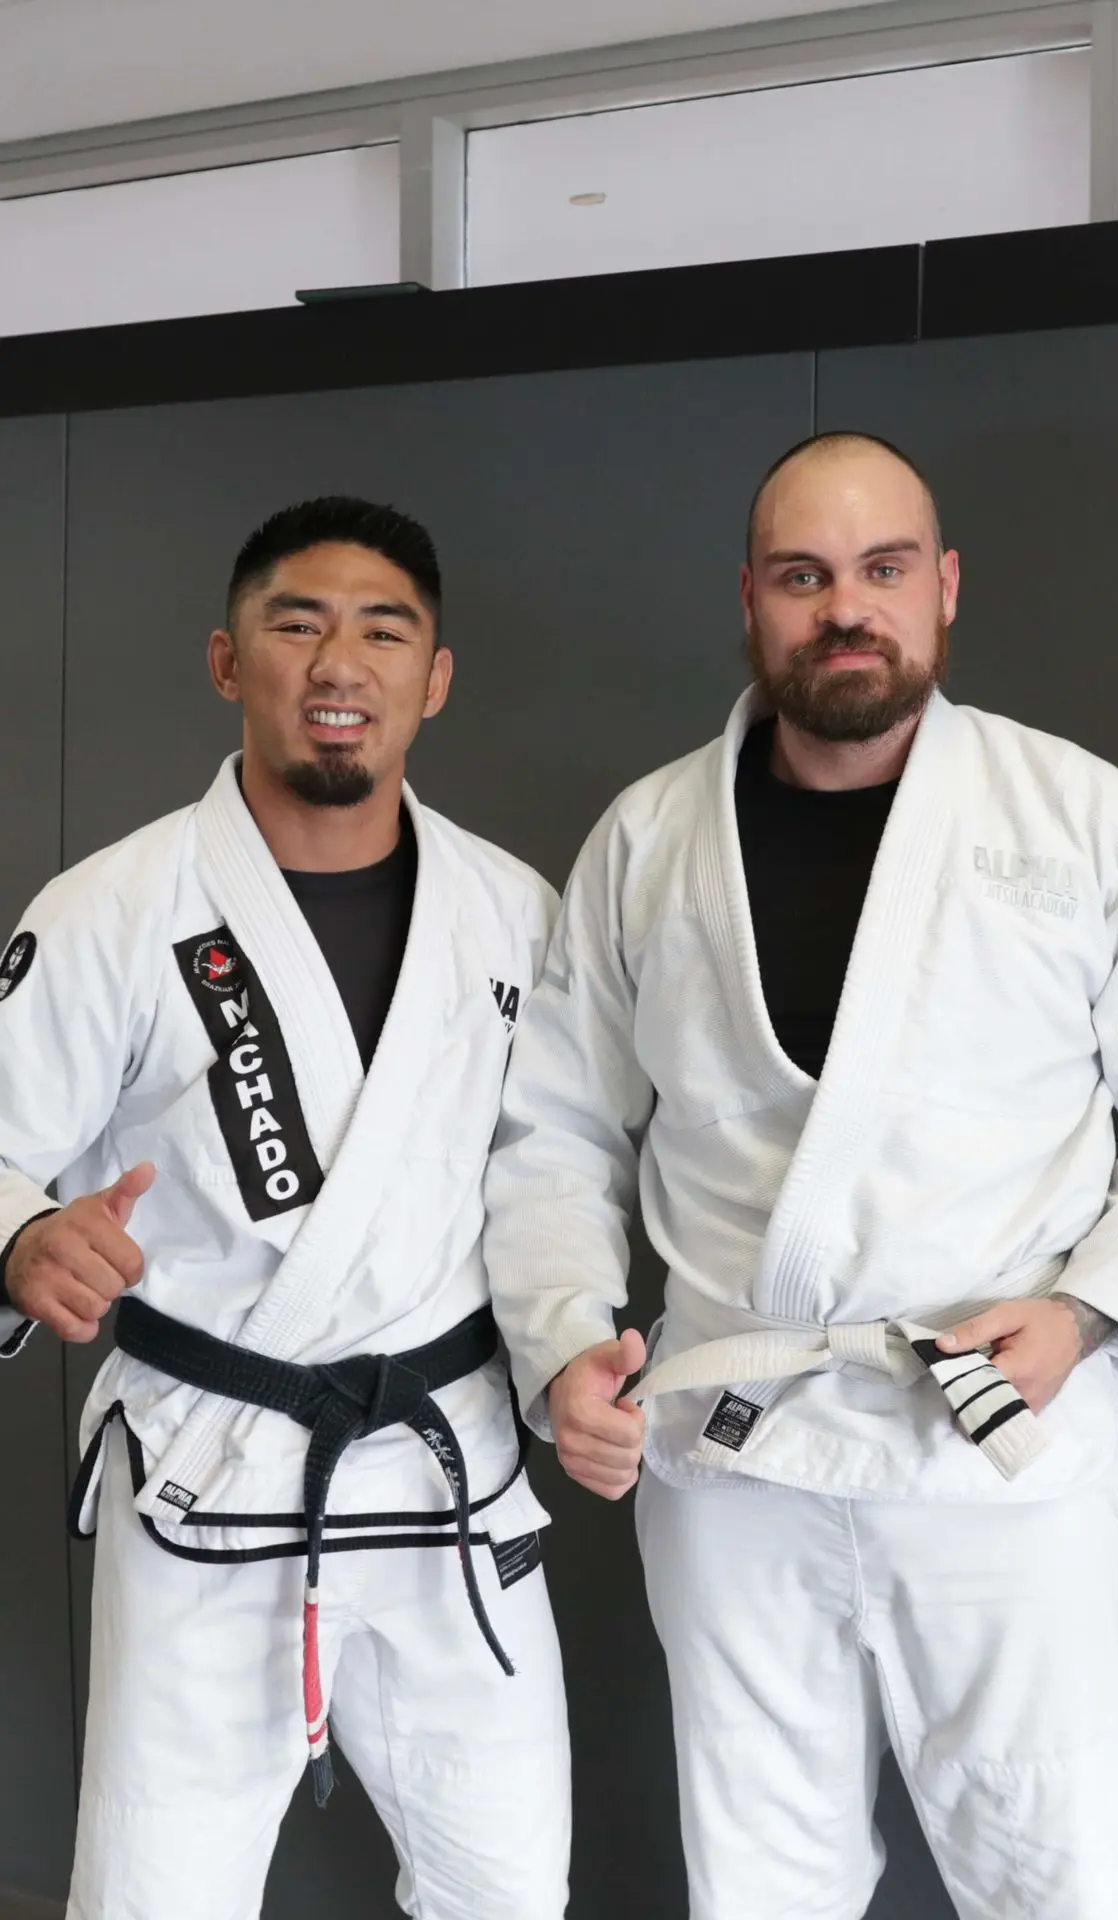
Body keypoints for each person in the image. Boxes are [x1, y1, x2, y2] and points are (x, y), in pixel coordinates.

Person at [484, 431, 1118, 1919]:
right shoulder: (648, 842)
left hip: (995, 1436)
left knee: (1060, 1876)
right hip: (734, 1451)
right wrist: (569, 1341)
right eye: (804, 575)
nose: (847, 608)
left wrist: (1087, 1317)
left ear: (946, 586)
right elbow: (557, 1131)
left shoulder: (1082, 819)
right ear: (751, 599)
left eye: (884, 569)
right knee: (759, 1877)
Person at [0, 498, 571, 1920]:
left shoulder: (515, 915)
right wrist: (21, 1238)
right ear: (225, 660)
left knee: (508, 1890)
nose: (340, 661)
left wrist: (581, 1354)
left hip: (450, 1475)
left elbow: (564, 1180)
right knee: (158, 1894)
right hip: (213, 1465)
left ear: (432, 680)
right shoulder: (109, 911)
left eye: (385, 631)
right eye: (296, 622)